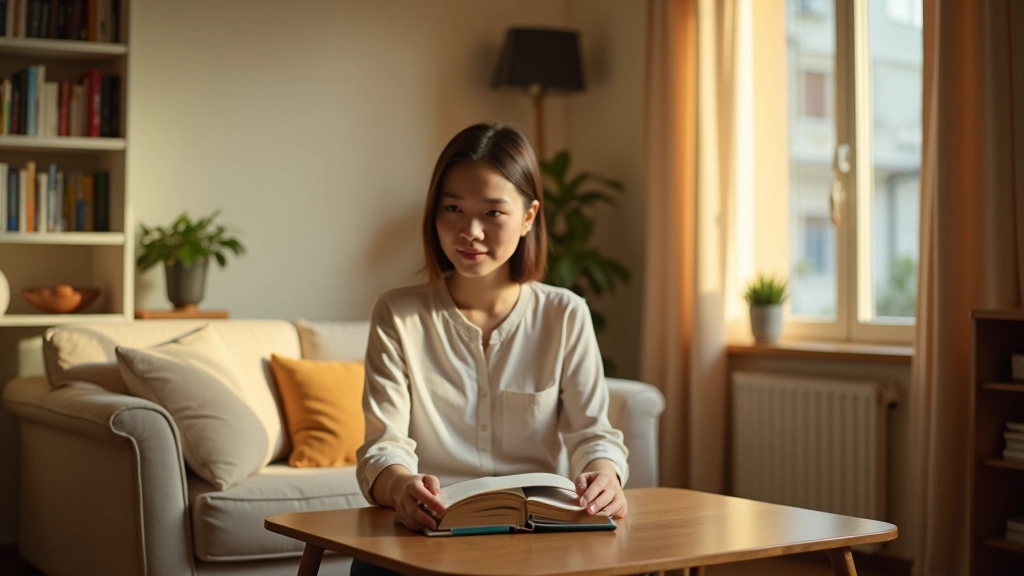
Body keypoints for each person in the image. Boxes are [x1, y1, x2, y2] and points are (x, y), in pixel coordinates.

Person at [352, 122, 629, 575]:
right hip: (432, 535)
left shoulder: (565, 314)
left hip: (539, 534)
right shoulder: (398, 314)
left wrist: (605, 477)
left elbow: (592, 434)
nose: (470, 231)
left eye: (493, 213)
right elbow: (384, 447)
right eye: (453, 208)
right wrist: (402, 487)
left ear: (528, 217)